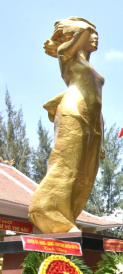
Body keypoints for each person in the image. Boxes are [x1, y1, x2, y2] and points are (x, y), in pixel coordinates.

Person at [30, 17, 104, 233]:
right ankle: (46, 211)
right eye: (92, 33)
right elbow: (80, 32)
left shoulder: (90, 66)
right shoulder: (66, 53)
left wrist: (102, 137)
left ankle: (68, 215)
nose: (95, 36)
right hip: (74, 109)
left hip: (93, 117)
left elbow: (97, 101)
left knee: (86, 171)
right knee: (67, 163)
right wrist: (83, 27)